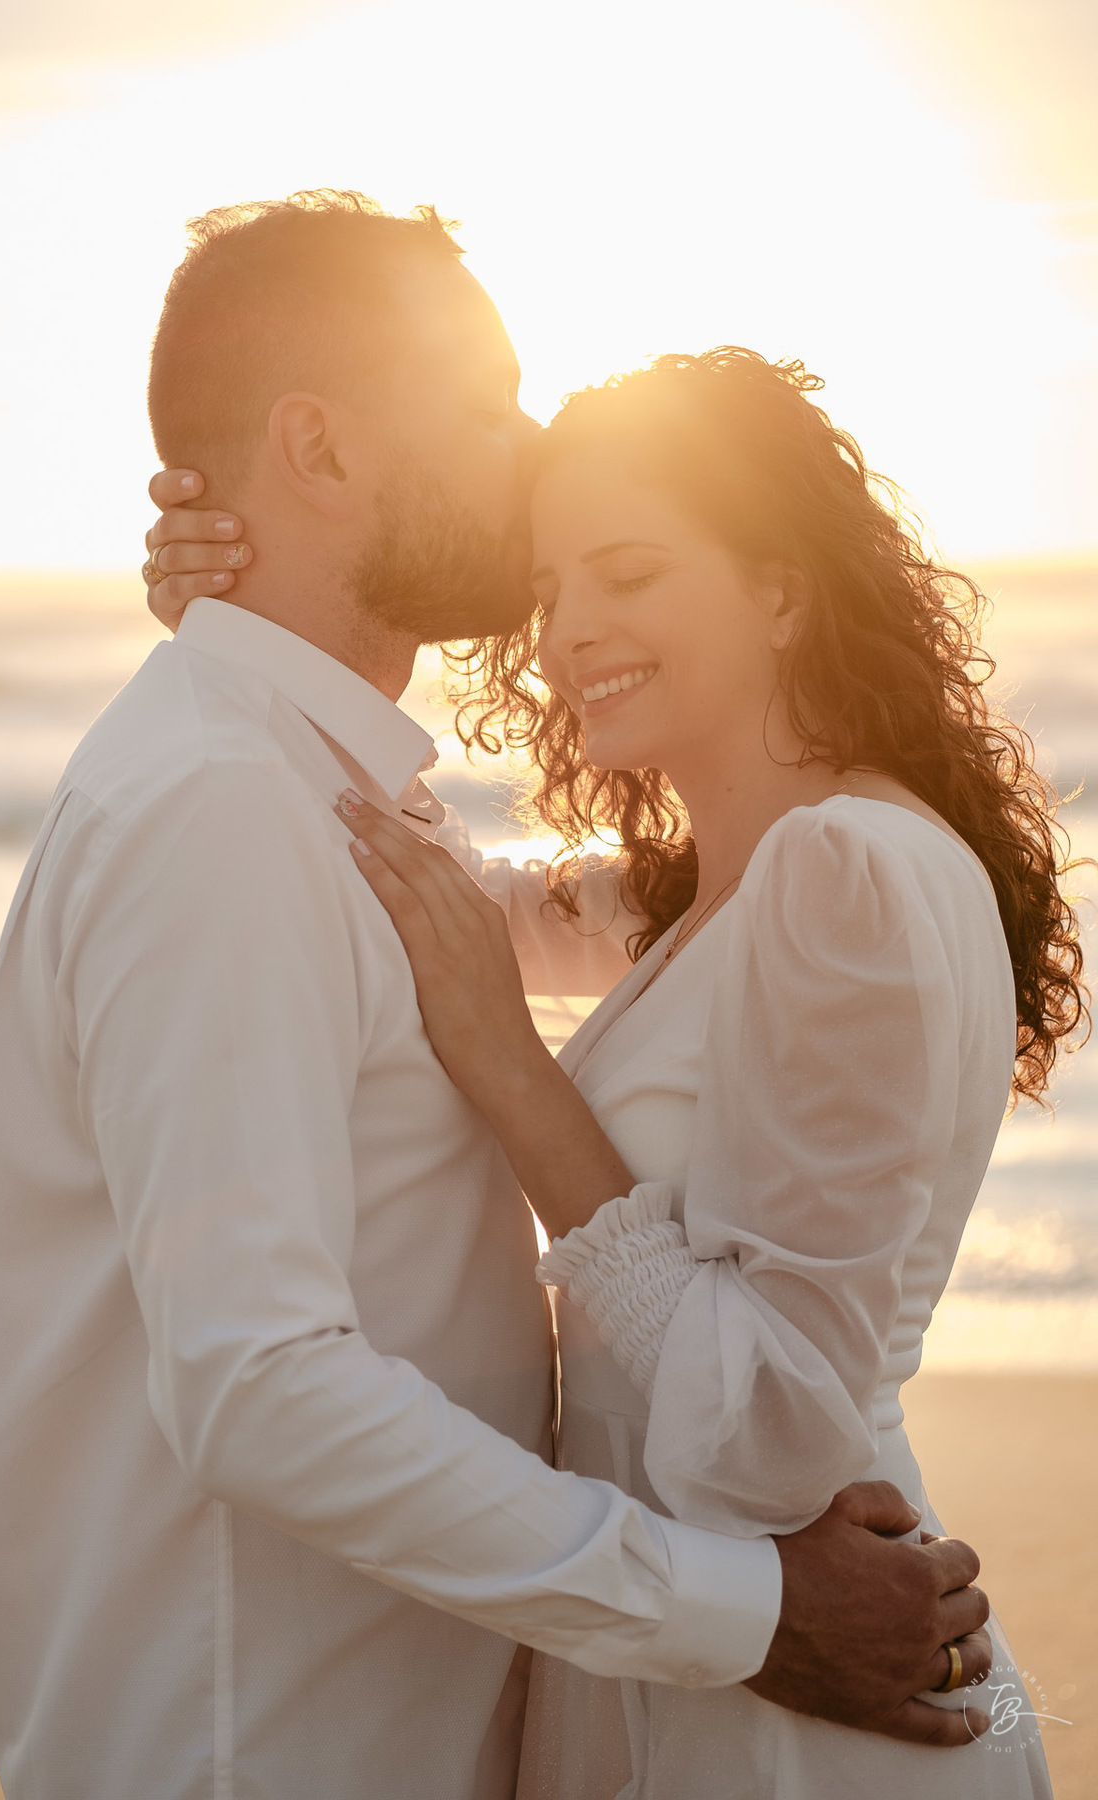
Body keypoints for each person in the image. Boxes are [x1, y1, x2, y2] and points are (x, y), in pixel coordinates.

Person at [0, 192, 990, 1800]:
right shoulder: (225, 803)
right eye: (485, 405)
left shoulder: (318, 787)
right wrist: (743, 1609)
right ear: (321, 446)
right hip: (270, 1754)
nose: (522, 452)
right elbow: (258, 1381)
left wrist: (246, 638)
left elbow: (571, 923)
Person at [147, 331, 1084, 1797]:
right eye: (550, 585)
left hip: (801, 1711)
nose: (572, 628)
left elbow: (780, 1435)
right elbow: (439, 890)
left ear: (782, 587)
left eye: (630, 573)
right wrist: (251, 624)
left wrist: (512, 1073)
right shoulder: (727, 876)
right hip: (696, 1657)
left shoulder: (849, 871)